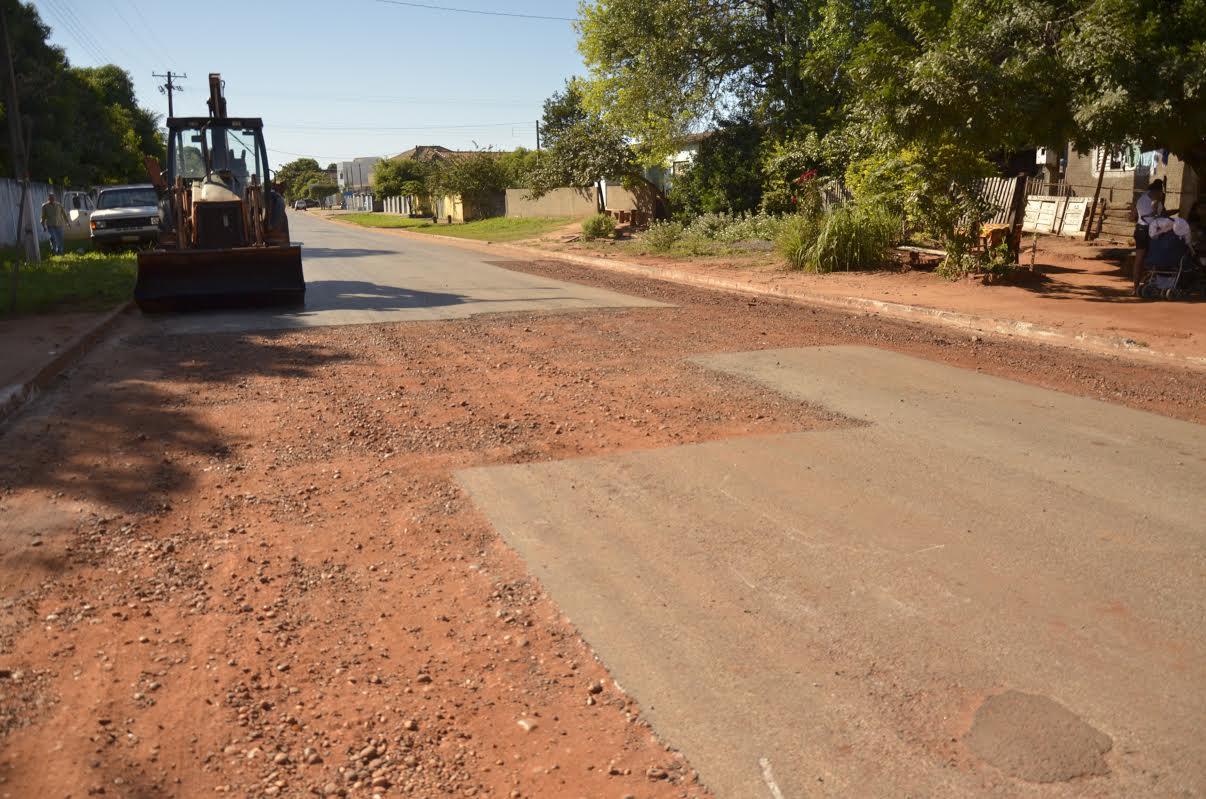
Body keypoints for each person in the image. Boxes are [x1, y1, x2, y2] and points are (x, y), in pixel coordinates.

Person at [1132, 179, 1165, 294]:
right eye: (1160, 192)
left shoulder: (1145, 198)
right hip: (1147, 230)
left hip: (1144, 230)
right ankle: (1143, 285)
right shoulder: (1150, 201)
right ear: (1157, 191)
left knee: (1141, 259)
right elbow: (1154, 216)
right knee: (1147, 258)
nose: (1161, 195)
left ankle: (1137, 287)